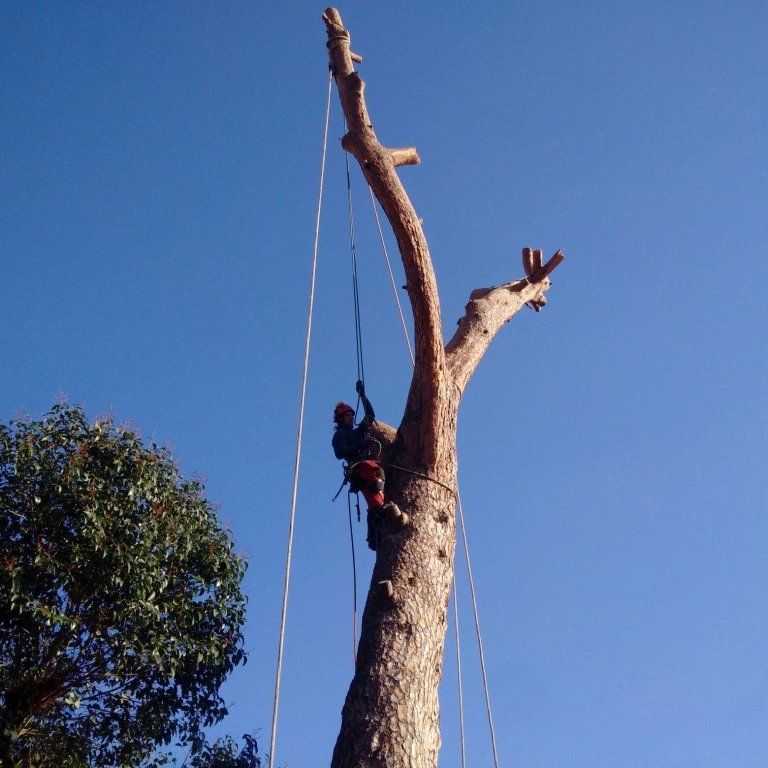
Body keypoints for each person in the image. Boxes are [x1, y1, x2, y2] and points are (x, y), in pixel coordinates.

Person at [332, 381, 404, 550]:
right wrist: (360, 446)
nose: (351, 418)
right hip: (358, 468)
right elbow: (339, 453)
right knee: (375, 471)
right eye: (347, 415)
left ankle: (375, 533)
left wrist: (362, 396)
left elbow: (370, 416)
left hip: (366, 471)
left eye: (351, 415)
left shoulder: (358, 431)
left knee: (375, 499)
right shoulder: (340, 434)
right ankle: (379, 518)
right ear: (341, 419)